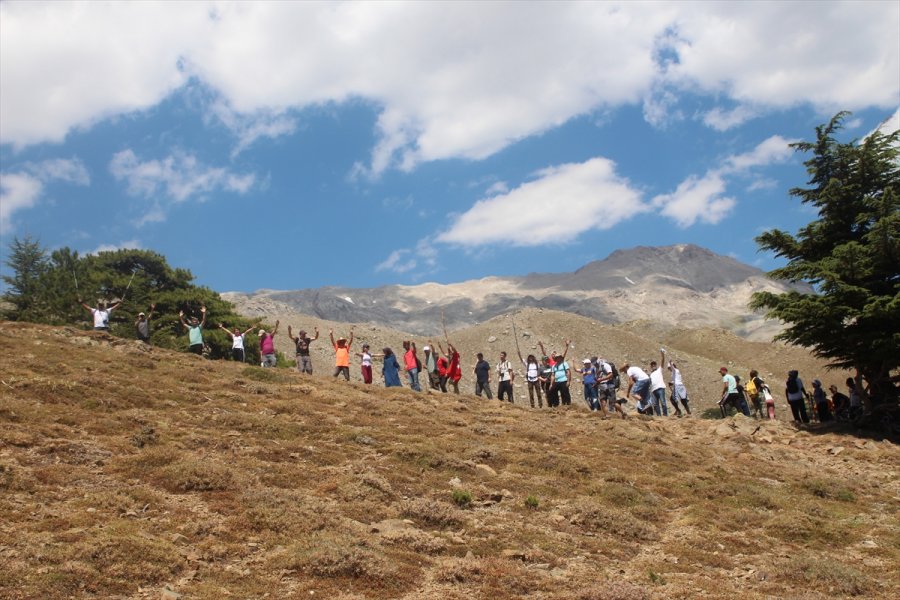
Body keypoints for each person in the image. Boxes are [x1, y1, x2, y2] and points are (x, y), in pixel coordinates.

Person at [664, 351, 690, 416]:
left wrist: (670, 362)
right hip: (681, 386)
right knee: (683, 400)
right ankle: (688, 412)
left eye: (669, 368)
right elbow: (676, 379)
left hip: (677, 386)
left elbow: (673, 369)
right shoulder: (676, 372)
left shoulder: (675, 370)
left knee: (672, 399)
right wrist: (671, 382)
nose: (669, 369)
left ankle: (678, 411)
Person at [648, 350, 668, 416]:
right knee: (655, 404)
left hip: (660, 388)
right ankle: (659, 416)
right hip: (653, 390)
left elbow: (662, 361)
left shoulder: (659, 370)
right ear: (651, 366)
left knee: (663, 402)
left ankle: (665, 415)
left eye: (654, 364)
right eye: (652, 365)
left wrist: (662, 355)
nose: (653, 365)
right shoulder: (650, 374)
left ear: (656, 365)